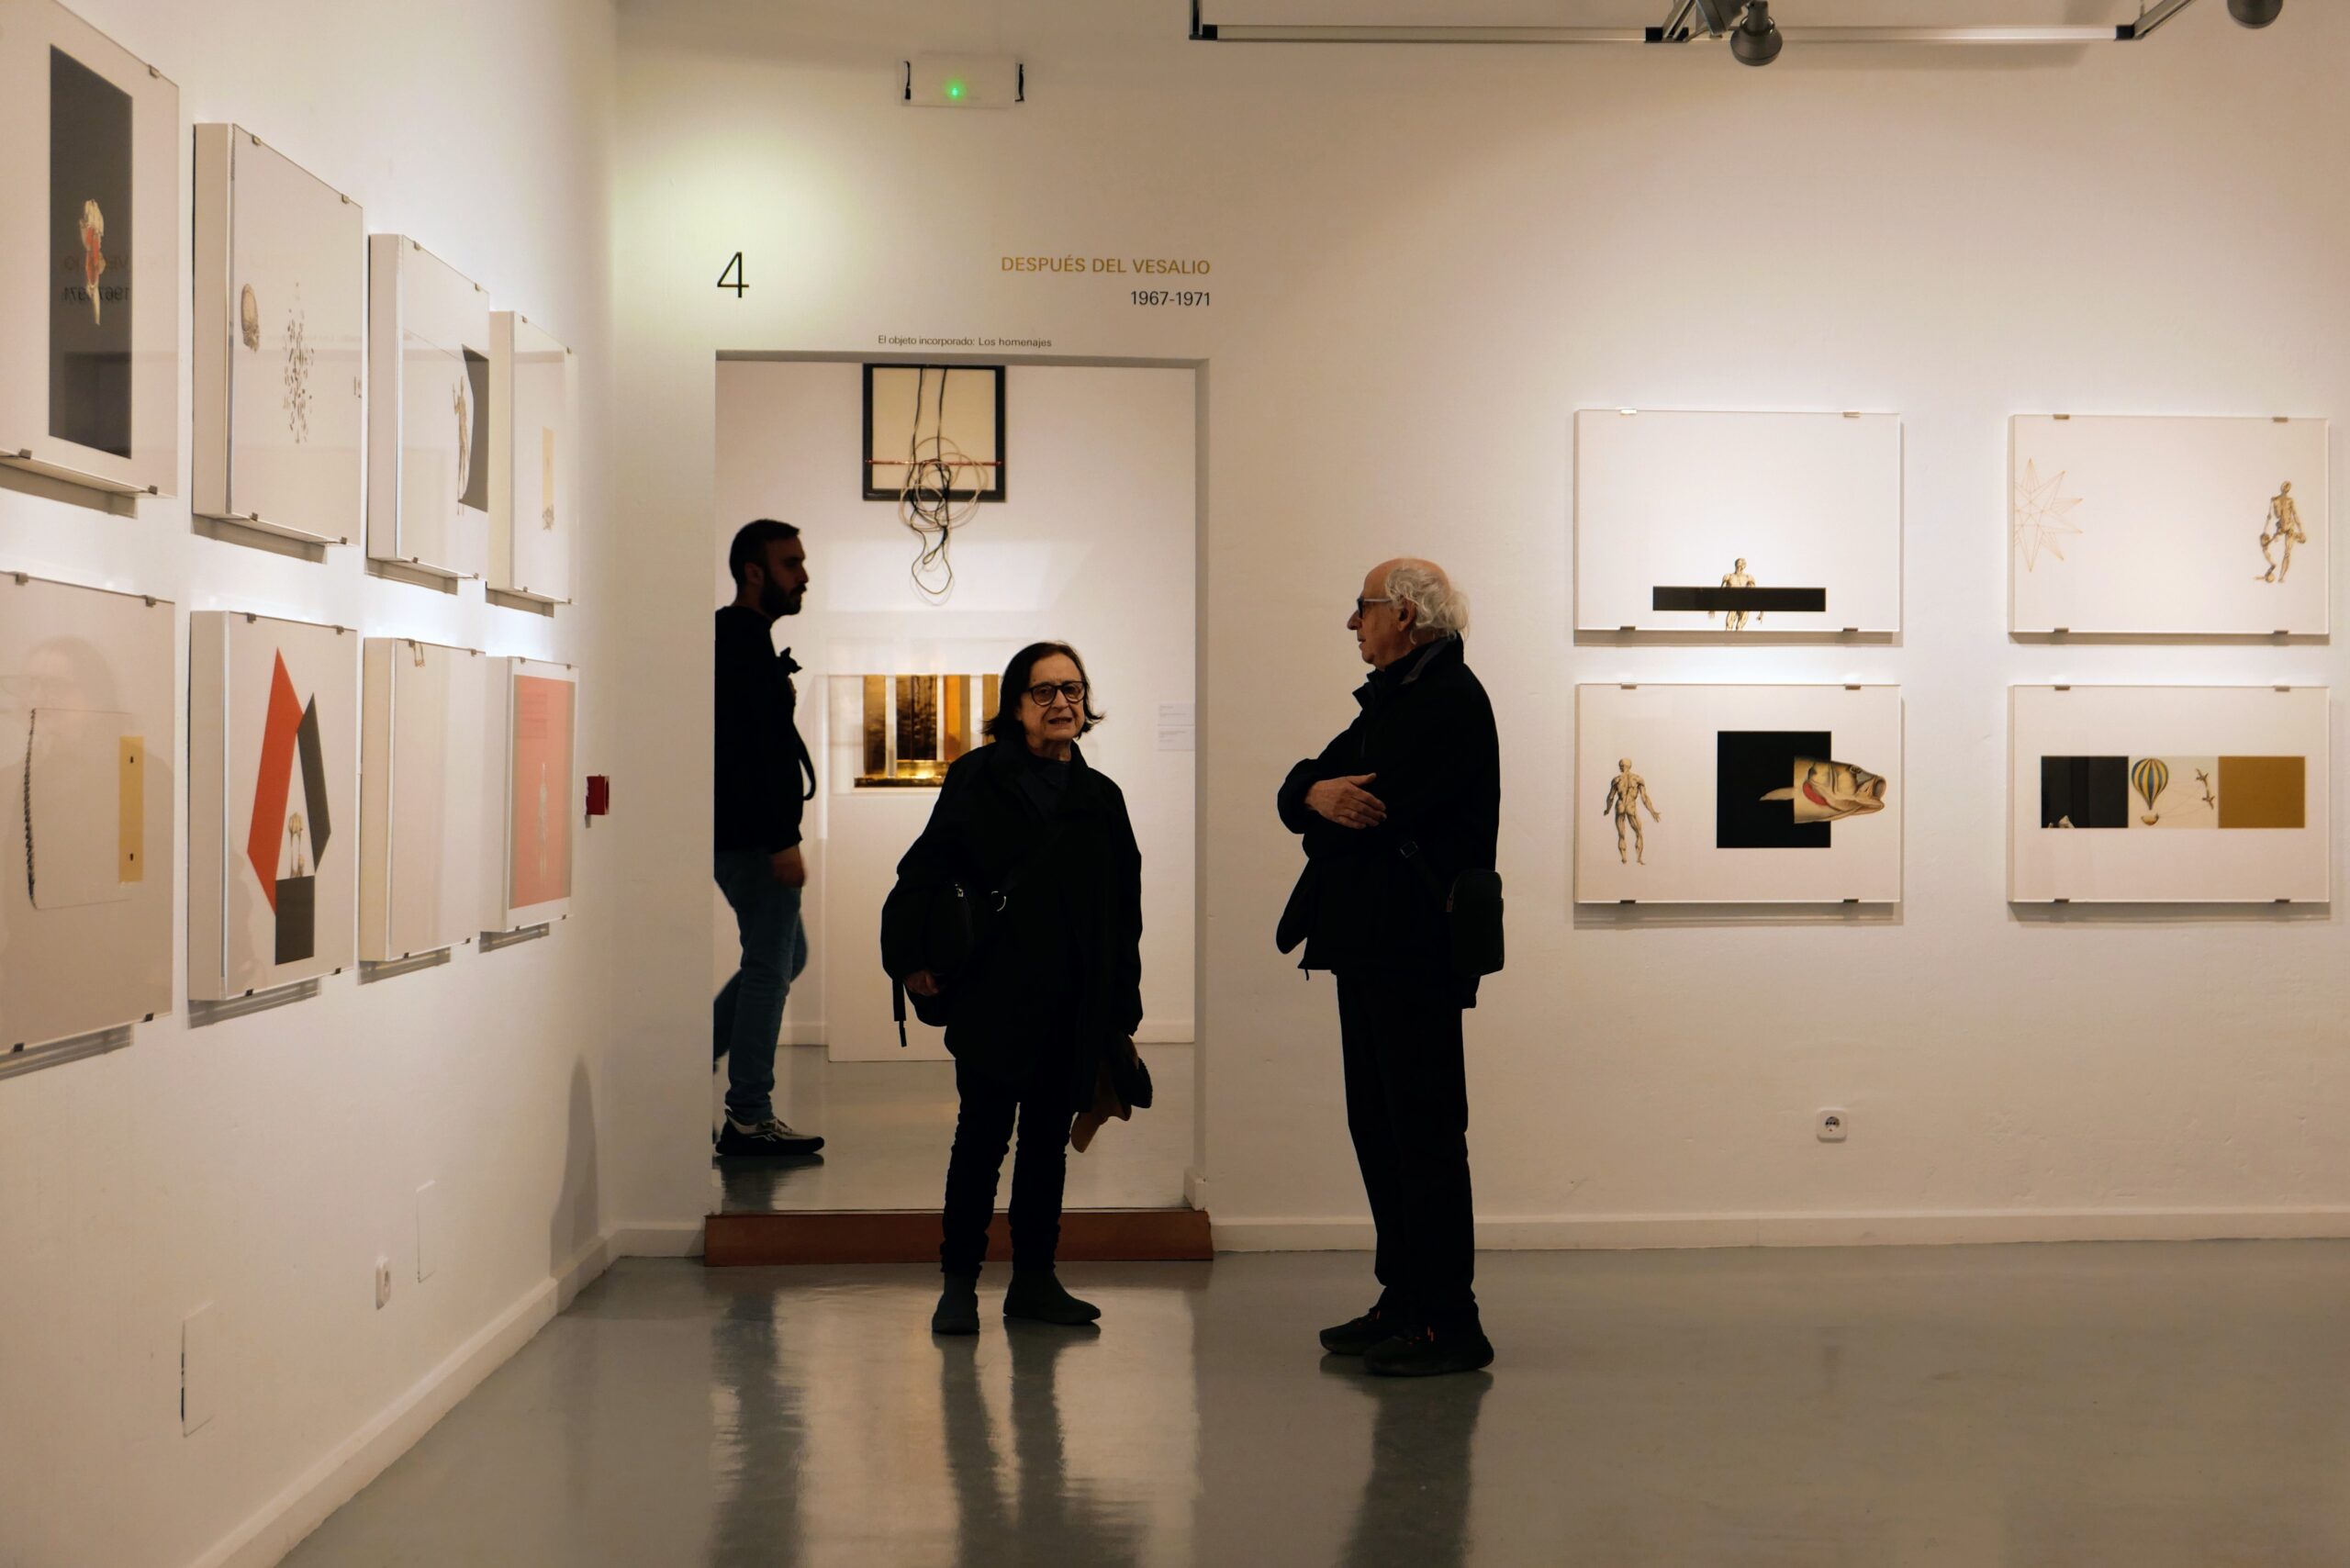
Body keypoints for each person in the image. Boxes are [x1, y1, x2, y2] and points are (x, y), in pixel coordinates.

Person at [1277, 559, 1499, 1377]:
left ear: (1403, 615)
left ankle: (1449, 1320)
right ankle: (1404, 1300)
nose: (1351, 623)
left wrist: (1321, 805)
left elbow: (1362, 816)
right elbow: (1302, 786)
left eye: (1361, 609)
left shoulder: (1444, 704)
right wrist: (1314, 796)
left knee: (1424, 1133)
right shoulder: (1397, 699)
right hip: (1373, 946)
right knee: (1381, 1128)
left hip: (1415, 950)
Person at [889, 642, 1144, 1336]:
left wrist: (1122, 1006)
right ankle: (958, 1284)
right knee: (980, 1140)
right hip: (995, 996)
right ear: (1016, 705)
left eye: (1072, 689)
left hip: (1073, 1000)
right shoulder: (978, 777)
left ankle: (1034, 1280)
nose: (1062, 703)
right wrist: (910, 956)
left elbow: (1125, 907)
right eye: (1044, 692)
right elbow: (925, 868)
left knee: (1045, 1145)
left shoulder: (1100, 797)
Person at [712, 519, 824, 1158]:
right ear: (755, 572)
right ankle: (749, 1113)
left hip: (747, 836)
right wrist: (783, 839)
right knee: (768, 968)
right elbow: (753, 757)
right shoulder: (742, 643)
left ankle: (684, 1062)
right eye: (791, 564)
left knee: (784, 958)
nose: (803, 575)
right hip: (757, 841)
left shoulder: (741, 639)